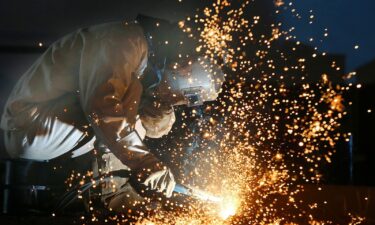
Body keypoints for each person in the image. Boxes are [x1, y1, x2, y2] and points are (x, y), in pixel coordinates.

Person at [0, 15, 224, 211]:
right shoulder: (123, 41)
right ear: (184, 66)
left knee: (133, 101)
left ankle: (104, 188)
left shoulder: (143, 58)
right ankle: (111, 193)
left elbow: (145, 126)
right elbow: (102, 108)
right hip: (26, 126)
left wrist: (155, 107)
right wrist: (145, 162)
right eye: (189, 96)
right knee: (124, 99)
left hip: (50, 130)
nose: (181, 101)